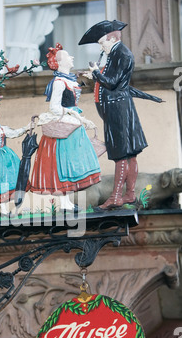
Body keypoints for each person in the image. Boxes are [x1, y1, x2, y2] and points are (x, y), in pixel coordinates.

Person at [79, 20, 163, 210]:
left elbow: (113, 82)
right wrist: (94, 75)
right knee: (130, 155)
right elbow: (117, 81)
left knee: (121, 155)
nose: (101, 46)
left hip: (118, 110)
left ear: (112, 38)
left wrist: (96, 73)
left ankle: (117, 196)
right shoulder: (115, 54)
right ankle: (130, 194)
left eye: (102, 43)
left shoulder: (122, 54)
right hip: (118, 108)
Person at [30, 43, 101, 212]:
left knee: (71, 164)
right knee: (62, 164)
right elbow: (54, 107)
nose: (72, 58)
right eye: (68, 56)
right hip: (64, 127)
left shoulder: (69, 79)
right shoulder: (59, 82)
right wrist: (76, 116)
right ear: (60, 62)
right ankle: (63, 204)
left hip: (73, 125)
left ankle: (67, 202)